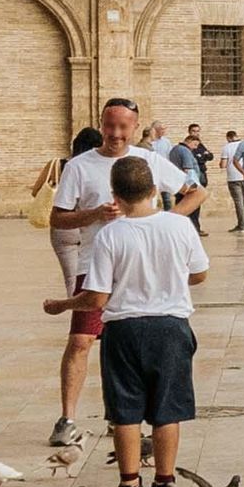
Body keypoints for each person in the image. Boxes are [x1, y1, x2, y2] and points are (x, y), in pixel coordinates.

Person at [43, 157, 209, 487]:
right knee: (167, 410)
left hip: (124, 330)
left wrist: (63, 304)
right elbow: (199, 274)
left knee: (126, 412)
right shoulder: (179, 226)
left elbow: (97, 297)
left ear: (114, 195)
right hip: (171, 328)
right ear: (154, 190)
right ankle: (165, 485)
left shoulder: (110, 235)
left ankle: (130, 485)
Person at [47, 98, 204, 447]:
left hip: (137, 263)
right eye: (110, 126)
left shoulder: (148, 160)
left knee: (139, 344)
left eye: (123, 127)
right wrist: (92, 215)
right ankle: (67, 418)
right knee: (80, 341)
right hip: (94, 264)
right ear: (101, 124)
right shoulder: (79, 166)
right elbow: (57, 217)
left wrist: (164, 222)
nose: (116, 134)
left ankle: (134, 418)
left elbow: (196, 193)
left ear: (135, 127)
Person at [36, 127, 104, 294]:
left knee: (71, 279)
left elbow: (36, 190)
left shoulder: (57, 165)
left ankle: (76, 310)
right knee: (95, 275)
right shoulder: (97, 168)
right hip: (91, 224)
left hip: (64, 226)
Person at [169, 136, 208, 236]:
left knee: (181, 204)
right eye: (195, 145)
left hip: (179, 184)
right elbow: (188, 169)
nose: (195, 148)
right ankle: (194, 230)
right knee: (192, 209)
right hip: (187, 185)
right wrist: (194, 186)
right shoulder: (185, 151)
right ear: (189, 141)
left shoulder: (175, 149)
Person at [221, 130, 244, 233]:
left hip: (233, 178)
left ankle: (241, 225)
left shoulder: (227, 147)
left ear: (228, 138)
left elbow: (223, 165)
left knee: (239, 202)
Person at [186, 123, 214, 189]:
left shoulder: (200, 144)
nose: (196, 133)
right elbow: (195, 159)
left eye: (198, 131)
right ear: (189, 132)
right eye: (194, 131)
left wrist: (202, 156)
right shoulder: (188, 144)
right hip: (194, 172)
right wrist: (203, 156)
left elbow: (210, 156)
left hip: (202, 171)